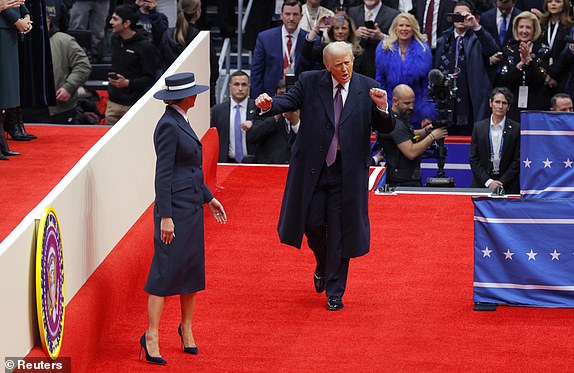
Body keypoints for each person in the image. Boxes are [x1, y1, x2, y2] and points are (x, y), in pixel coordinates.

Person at [255, 41, 395, 311]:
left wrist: (383, 107)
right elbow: (289, 100)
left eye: (349, 61)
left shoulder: (367, 86)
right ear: (327, 66)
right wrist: (270, 105)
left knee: (341, 230)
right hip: (314, 169)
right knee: (311, 221)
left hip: (348, 171)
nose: (346, 68)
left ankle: (335, 291)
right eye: (339, 64)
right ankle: (322, 261)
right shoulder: (310, 81)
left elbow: (387, 127)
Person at [141, 72, 227, 365]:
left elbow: (189, 170)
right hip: (174, 209)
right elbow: (163, 175)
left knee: (190, 270)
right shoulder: (167, 126)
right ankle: (151, 335)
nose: (196, 96)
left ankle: (186, 328)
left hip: (191, 205)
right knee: (164, 272)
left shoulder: (182, 121)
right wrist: (165, 216)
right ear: (184, 97)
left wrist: (209, 198)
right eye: (193, 92)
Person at [434, 0, 499, 135]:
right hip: (447, 101)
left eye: (465, 15)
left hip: (470, 101)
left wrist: (476, 26)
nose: (461, 18)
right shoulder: (443, 39)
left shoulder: (478, 37)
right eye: (457, 15)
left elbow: (493, 50)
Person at [24, 10, 91, 124]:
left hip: (56, 109)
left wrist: (68, 87)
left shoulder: (64, 41)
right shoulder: (19, 41)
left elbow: (83, 66)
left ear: (48, 21)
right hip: (24, 109)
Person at [375, 12, 436, 128]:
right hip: (391, 106)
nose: (404, 29)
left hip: (416, 108)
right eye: (401, 25)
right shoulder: (383, 48)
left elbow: (426, 85)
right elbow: (380, 81)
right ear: (395, 28)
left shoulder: (423, 50)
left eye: (408, 26)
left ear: (413, 28)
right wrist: (384, 107)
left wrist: (426, 113)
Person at [380, 84, 447, 187]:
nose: (411, 107)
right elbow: (411, 152)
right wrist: (432, 137)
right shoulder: (394, 124)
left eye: (413, 102)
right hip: (400, 184)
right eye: (407, 103)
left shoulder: (398, 119)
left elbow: (406, 135)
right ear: (395, 101)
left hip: (407, 178)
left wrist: (425, 131)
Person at [250, 0, 315, 98]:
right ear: (281, 15)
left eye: (295, 14)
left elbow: (314, 73)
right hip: (271, 97)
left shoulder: (310, 40)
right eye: (288, 14)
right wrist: (258, 100)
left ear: (301, 16)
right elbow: (256, 73)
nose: (291, 18)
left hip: (302, 98)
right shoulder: (265, 38)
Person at [495, 11, 552, 122]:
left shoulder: (544, 51)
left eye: (528, 27)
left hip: (537, 103)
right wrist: (520, 66)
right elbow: (502, 81)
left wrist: (529, 62)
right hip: (513, 103)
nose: (524, 31)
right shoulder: (509, 50)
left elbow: (542, 79)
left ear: (534, 30)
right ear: (516, 29)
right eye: (521, 27)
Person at [160, 0, 218, 106]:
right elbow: (213, 71)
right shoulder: (201, 38)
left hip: (172, 94)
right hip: (197, 96)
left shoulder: (167, 35)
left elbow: (161, 63)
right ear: (197, 13)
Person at [106, 4, 156, 125]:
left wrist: (128, 83)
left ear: (127, 23)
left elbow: (150, 78)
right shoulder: (114, 39)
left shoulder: (145, 46)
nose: (111, 22)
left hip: (134, 105)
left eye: (115, 19)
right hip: (113, 103)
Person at [469, 87, 520, 194]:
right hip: (481, 184)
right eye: (497, 102)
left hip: (508, 185)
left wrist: (501, 182)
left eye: (504, 103)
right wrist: (488, 182)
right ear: (490, 103)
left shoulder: (516, 128)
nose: (500, 106)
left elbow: (517, 160)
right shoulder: (479, 127)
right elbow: (473, 158)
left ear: (509, 106)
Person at [0, 2, 30, 158]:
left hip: (9, 29)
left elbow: (18, 2)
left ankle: (2, 142)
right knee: (4, 87)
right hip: (5, 27)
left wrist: (26, 16)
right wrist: (17, 21)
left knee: (6, 89)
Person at [247, 79, 299, 164]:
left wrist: (296, 122)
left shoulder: (305, 115)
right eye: (281, 95)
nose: (285, 100)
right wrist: (274, 118)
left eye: (288, 96)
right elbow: (252, 136)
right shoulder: (263, 112)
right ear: (275, 96)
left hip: (295, 168)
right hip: (270, 167)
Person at [210, 71, 258, 163]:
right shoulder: (218, 110)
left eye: (244, 85)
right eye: (236, 84)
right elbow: (214, 141)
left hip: (252, 163)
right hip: (226, 163)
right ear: (230, 86)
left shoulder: (257, 109)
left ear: (249, 87)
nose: (240, 88)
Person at [347, 0, 400, 78]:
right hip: (355, 65)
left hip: (379, 65)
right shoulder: (352, 11)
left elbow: (399, 41)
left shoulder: (393, 14)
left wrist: (381, 37)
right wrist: (354, 34)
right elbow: (342, 35)